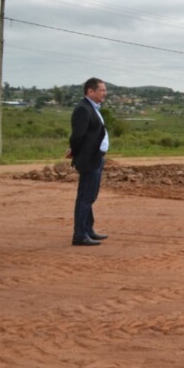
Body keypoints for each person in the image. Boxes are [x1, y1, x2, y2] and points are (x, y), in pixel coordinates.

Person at [66, 78, 110, 246]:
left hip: (95, 158)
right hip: (89, 159)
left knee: (89, 196)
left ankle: (88, 229)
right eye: (101, 90)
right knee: (85, 197)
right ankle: (79, 235)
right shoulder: (83, 109)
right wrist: (75, 152)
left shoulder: (91, 108)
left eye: (105, 90)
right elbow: (78, 135)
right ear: (90, 92)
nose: (104, 93)